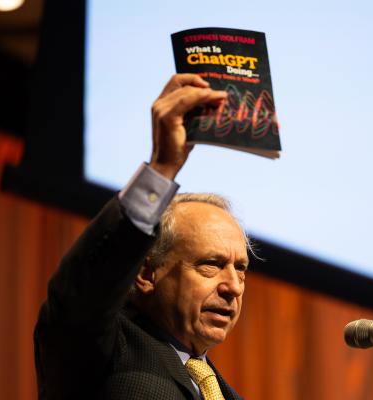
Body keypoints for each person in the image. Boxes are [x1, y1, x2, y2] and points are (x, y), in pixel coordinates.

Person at [34, 74, 248, 400]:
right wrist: (161, 170)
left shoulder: (226, 394)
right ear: (147, 273)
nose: (233, 286)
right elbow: (81, 291)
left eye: (241, 268)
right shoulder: (103, 348)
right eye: (211, 264)